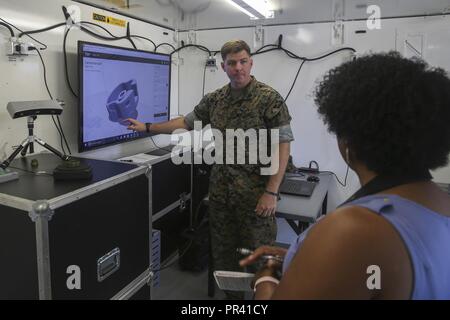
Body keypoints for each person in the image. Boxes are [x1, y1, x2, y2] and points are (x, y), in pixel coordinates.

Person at [240, 52, 450, 299]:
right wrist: (306, 258)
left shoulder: (353, 229)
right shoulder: (440, 203)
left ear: (348, 142)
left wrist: (267, 276)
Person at [126, 40, 294, 299]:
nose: (238, 68)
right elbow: (185, 122)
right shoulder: (216, 100)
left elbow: (284, 144)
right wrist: (148, 127)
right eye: (231, 63)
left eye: (243, 62)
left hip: (256, 197)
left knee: (261, 257)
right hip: (221, 196)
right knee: (225, 258)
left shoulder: (268, 98)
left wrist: (271, 191)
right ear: (223, 66)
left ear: (251, 62)